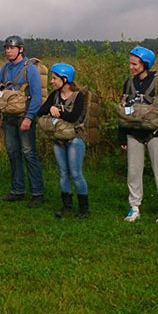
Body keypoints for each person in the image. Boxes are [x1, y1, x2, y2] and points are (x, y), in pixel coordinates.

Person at [119, 47, 158, 224]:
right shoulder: (128, 84)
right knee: (134, 172)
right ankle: (134, 206)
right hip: (133, 134)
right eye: (130, 63)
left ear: (145, 64)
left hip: (156, 134)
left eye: (135, 64)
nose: (131, 67)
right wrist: (122, 136)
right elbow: (124, 111)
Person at [0, 35, 45, 208]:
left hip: (24, 119)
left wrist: (29, 118)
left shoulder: (30, 69)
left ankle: (37, 193)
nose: (8, 51)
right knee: (12, 153)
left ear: (20, 49)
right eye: (7, 48)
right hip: (8, 119)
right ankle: (17, 190)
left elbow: (37, 96)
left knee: (29, 154)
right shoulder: (5, 69)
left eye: (12, 48)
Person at [37, 63, 89, 218]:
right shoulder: (55, 95)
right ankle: (66, 206)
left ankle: (84, 209)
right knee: (63, 173)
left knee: (76, 173)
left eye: (55, 78)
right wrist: (51, 108)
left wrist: (57, 111)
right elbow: (41, 111)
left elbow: (74, 117)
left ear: (65, 79)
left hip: (75, 139)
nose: (52, 81)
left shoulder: (79, 96)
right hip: (58, 139)